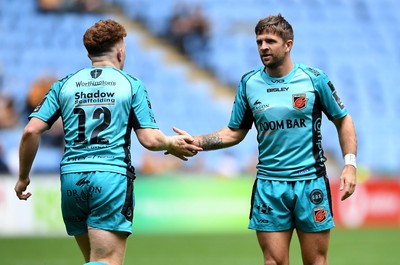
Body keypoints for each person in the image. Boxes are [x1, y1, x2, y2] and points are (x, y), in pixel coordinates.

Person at [14, 19, 202, 265]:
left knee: (94, 259)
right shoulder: (130, 84)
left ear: (89, 53)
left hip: (72, 179)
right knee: (107, 260)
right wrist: (170, 143)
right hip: (110, 177)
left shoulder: (64, 84)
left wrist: (23, 177)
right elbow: (149, 139)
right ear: (120, 51)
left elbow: (30, 131)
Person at [174, 14, 357, 265]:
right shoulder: (249, 83)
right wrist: (198, 141)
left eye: (270, 41)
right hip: (270, 185)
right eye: (259, 41)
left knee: (316, 261)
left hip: (310, 182)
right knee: (273, 261)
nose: (263, 47)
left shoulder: (314, 79)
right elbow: (234, 132)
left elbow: (343, 119)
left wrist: (349, 164)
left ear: (288, 44)